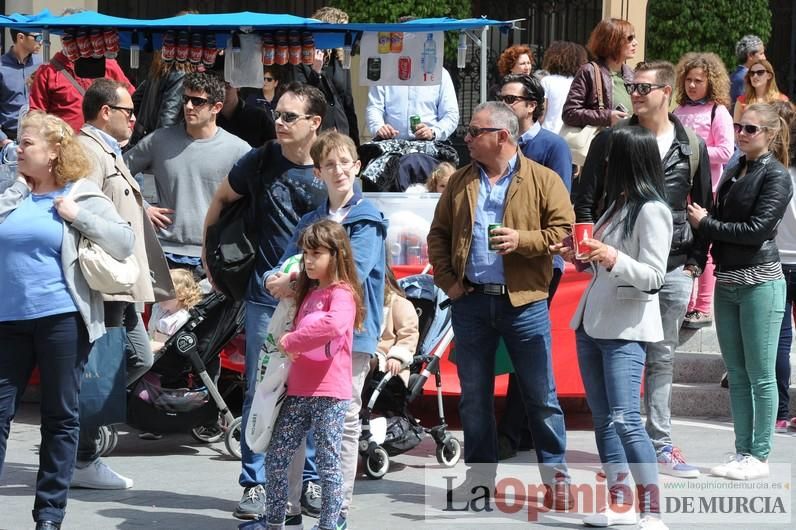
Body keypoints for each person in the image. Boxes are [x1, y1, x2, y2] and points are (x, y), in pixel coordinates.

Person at [427, 101, 575, 507]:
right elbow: (437, 235)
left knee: (540, 395)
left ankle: (556, 480)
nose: (467, 138)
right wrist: (449, 283)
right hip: (471, 302)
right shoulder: (459, 182)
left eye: (475, 132)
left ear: (502, 137)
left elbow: (563, 234)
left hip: (524, 303)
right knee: (474, 397)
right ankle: (479, 481)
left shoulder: (543, 180)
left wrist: (521, 241)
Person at [575, 60, 712, 479]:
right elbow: (586, 197)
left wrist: (694, 263)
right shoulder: (615, 139)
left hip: (668, 265)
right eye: (631, 86)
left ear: (666, 92)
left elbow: (701, 205)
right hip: (615, 259)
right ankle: (624, 468)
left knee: (662, 359)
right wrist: (583, 247)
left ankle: (659, 447)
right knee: (615, 405)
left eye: (643, 87)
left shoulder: (689, 143)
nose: (634, 93)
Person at [0, 110, 134, 530]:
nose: (18, 149)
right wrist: (17, 190)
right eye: (19, 143)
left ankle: (49, 516)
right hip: (7, 320)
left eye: (27, 143)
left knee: (59, 416)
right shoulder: (12, 191)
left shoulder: (82, 192)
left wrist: (77, 216)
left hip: (61, 317)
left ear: (55, 150)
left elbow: (124, 239)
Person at [201, 82, 328, 522]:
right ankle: (254, 484)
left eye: (290, 116)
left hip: (318, 300)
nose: (279, 121)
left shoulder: (331, 166)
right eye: (278, 113)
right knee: (261, 389)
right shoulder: (259, 160)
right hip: (263, 297)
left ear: (315, 122)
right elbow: (222, 199)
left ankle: (308, 478)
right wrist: (210, 255)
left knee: (311, 391)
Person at [266, 131, 387, 529]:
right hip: (304, 340)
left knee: (344, 425)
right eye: (329, 164)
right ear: (317, 172)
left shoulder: (368, 218)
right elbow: (281, 265)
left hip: (354, 333)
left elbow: (356, 270)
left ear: (358, 166)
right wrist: (274, 278)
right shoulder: (310, 221)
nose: (338, 170)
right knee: (292, 424)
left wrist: (294, 279)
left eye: (345, 162)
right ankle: (288, 507)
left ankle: (339, 512)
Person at [561, 126, 672, 530]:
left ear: (628, 161)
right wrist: (582, 257)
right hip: (593, 323)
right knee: (604, 417)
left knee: (626, 418)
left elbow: (655, 277)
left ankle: (652, 509)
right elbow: (601, 265)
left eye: (610, 158)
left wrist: (611, 256)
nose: (603, 165)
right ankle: (620, 502)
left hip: (626, 327)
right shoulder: (617, 204)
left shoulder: (652, 210)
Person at [71, 78, 174, 489]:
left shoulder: (108, 150)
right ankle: (80, 454)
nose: (134, 118)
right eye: (127, 111)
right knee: (104, 367)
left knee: (136, 359)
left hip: (123, 280)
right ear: (104, 112)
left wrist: (139, 208)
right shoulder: (87, 151)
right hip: (106, 280)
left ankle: (74, 440)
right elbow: (81, 206)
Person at [689, 103, 792, 480]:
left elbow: (757, 230)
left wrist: (708, 224)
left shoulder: (777, 176)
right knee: (736, 371)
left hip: (760, 282)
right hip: (728, 280)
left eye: (750, 128)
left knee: (761, 373)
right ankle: (742, 450)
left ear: (769, 134)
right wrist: (701, 251)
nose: (742, 134)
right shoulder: (734, 168)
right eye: (738, 127)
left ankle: (759, 455)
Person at [265, 219, 364, 530]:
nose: (308, 260)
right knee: (277, 457)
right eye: (306, 253)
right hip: (297, 389)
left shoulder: (343, 293)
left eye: (316, 254)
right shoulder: (310, 292)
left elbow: (333, 325)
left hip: (330, 394)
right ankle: (274, 521)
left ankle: (330, 525)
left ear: (337, 255)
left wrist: (291, 341)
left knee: (327, 465)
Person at [494, 73, 572, 459]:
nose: (505, 105)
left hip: (540, 262)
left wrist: (524, 238)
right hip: (497, 265)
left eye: (511, 100)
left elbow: (560, 212)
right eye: (501, 98)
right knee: (508, 350)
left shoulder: (551, 147)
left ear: (531, 105)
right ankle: (515, 430)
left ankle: (514, 432)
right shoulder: (494, 143)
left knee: (527, 350)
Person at [125, 72, 251, 273]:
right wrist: (143, 206)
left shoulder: (239, 149)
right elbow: (118, 172)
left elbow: (254, 197)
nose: (189, 106)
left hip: (213, 254)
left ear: (216, 107)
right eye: (185, 99)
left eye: (197, 101)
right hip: (163, 251)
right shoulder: (159, 140)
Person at [673, 53, 735, 329]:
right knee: (683, 243)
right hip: (679, 188)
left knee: (705, 245)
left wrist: (691, 152)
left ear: (711, 82)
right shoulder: (678, 111)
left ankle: (703, 305)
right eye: (688, 80)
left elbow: (725, 151)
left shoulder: (717, 111)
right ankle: (685, 301)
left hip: (706, 190)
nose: (692, 85)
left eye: (699, 80)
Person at [285, 6, 360, 145]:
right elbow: (300, 97)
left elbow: (348, 101)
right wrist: (315, 72)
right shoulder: (302, 58)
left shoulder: (341, 59)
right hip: (315, 131)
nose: (344, 35)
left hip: (341, 130)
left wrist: (355, 141)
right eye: (341, 30)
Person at [28, 46, 134, 133]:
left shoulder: (109, 64)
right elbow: (36, 116)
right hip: (65, 147)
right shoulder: (47, 71)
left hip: (104, 144)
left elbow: (131, 99)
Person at [771, 100, 796, 433]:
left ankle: (779, 411)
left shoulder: (765, 170)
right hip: (777, 262)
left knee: (778, 342)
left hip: (774, 262)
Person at [562, 18, 636, 130]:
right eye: (630, 38)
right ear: (612, 41)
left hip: (629, 140)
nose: (635, 43)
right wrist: (607, 117)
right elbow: (570, 113)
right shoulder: (589, 71)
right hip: (603, 142)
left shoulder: (631, 73)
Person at [365, 67, 459, 141]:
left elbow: (451, 114)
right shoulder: (385, 73)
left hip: (428, 145)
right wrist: (379, 127)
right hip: (390, 144)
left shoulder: (440, 74)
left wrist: (434, 132)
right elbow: (374, 107)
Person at [375, 267, 419, 384]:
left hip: (385, 359)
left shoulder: (399, 303)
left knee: (367, 360)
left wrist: (397, 357)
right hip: (360, 353)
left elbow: (409, 334)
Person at [0, 29, 42, 142]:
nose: (41, 41)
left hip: (38, 137)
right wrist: (3, 140)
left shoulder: (42, 65)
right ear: (21, 38)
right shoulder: (1, 67)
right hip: (9, 139)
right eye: (37, 37)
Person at [148, 268, 203, 351]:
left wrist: (156, 346)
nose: (160, 294)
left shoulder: (182, 318)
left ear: (181, 294)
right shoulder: (157, 308)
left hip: (164, 355)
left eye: (166, 292)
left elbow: (174, 344)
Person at [540, 41, 588, 134]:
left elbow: (541, 113)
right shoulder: (581, 83)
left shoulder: (547, 81)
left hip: (549, 132)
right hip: (571, 134)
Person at [217, 76, 276, 148]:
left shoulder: (258, 116)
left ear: (238, 87)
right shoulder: (210, 119)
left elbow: (274, 146)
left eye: (227, 87)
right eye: (219, 89)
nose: (223, 93)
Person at [730, 35, 766, 107]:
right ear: (750, 56)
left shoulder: (737, 74)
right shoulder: (745, 77)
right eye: (761, 54)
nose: (764, 57)